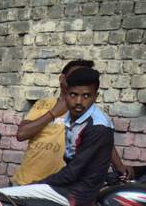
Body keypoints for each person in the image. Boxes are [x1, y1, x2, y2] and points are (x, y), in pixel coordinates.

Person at [1, 67, 119, 206]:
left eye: (86, 96)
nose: (78, 101)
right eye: (73, 95)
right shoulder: (73, 116)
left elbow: (73, 172)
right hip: (69, 186)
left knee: (4, 196)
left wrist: (37, 184)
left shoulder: (98, 126)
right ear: (65, 94)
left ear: (96, 96)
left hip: (77, 194)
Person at [13, 59, 131, 187]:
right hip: (27, 180)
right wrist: (53, 113)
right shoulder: (43, 104)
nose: (79, 80)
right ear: (62, 79)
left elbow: (103, 143)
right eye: (75, 76)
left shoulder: (88, 112)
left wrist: (119, 167)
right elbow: (22, 134)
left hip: (61, 185)